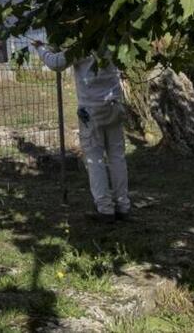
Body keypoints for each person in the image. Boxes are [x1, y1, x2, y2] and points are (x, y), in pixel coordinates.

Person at [37, 42, 130, 223]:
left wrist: (40, 48)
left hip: (92, 110)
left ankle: (105, 209)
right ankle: (123, 205)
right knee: (117, 157)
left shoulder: (84, 45)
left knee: (95, 160)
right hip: (114, 104)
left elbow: (56, 63)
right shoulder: (114, 40)